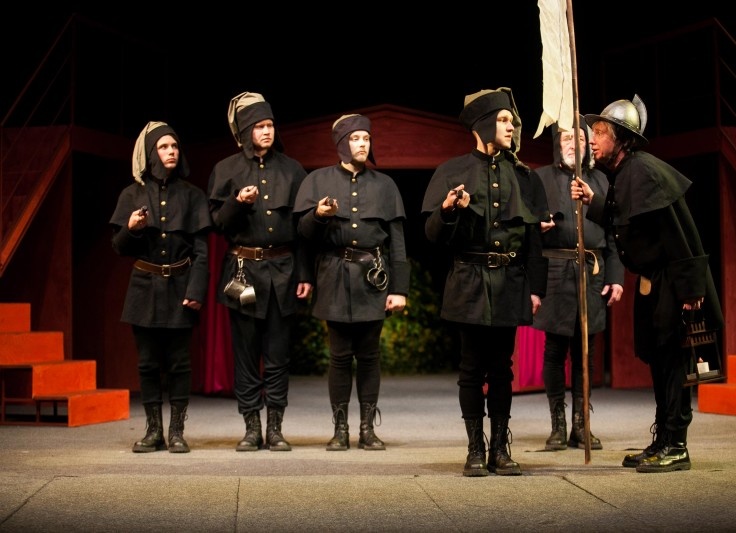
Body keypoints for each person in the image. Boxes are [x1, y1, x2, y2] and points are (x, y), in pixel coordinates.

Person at [571, 94, 723, 473]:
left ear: (622, 139)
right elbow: (625, 216)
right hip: (654, 282)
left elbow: (680, 234)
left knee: (674, 364)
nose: (592, 140)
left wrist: (691, 292)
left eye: (600, 133)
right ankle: (663, 439)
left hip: (674, 282)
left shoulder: (645, 172)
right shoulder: (625, 174)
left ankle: (677, 445)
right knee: (659, 360)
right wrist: (593, 200)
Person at [421, 88, 549, 476]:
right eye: (504, 120)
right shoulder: (451, 172)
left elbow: (534, 239)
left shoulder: (525, 177)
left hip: (509, 280)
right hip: (469, 281)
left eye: (512, 120)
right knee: (471, 368)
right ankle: (475, 448)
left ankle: (500, 449)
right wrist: (448, 210)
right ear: (482, 125)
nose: (511, 126)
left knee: (502, 369)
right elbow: (432, 236)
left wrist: (536, 288)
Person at [293, 113, 409, 452]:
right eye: (356, 138)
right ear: (342, 143)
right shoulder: (317, 181)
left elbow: (398, 242)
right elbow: (302, 235)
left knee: (370, 356)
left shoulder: (385, 185)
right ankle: (340, 429)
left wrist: (399, 289)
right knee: (340, 356)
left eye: (366, 138)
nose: (362, 144)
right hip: (333, 275)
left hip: (373, 278)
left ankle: (367, 429)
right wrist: (318, 215)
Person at [207, 92, 312, 452]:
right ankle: (252, 427)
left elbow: (302, 230)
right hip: (243, 272)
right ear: (244, 132)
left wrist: (305, 275)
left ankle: (276, 428)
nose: (267, 131)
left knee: (279, 356)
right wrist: (238, 203)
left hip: (283, 271)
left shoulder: (292, 170)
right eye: (259, 126)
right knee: (246, 355)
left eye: (270, 125)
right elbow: (216, 223)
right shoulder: (225, 170)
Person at [110, 121, 212, 454]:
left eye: (175, 146)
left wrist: (196, 291)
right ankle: (153, 431)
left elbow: (201, 252)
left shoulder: (193, 195)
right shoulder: (132, 194)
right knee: (148, 363)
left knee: (180, 364)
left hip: (180, 287)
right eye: (164, 147)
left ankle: (177, 431)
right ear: (151, 153)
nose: (171, 152)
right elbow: (119, 247)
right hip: (143, 288)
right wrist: (132, 227)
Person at [532, 118, 624, 451]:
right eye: (567, 138)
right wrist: (536, 228)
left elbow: (613, 233)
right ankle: (557, 425)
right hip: (555, 271)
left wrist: (615, 277)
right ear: (558, 144)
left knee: (586, 353)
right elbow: (525, 229)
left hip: (592, 272)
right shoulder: (539, 179)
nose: (574, 144)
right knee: (555, 350)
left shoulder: (601, 180)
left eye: (580, 139)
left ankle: (581, 425)